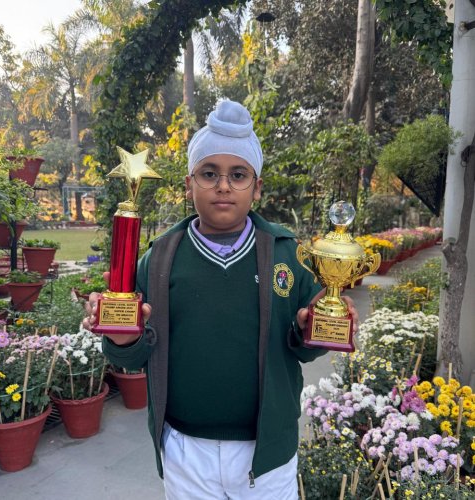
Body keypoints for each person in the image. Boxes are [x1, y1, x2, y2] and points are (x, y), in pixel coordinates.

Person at [84, 100, 358, 499]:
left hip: (267, 453)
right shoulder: (160, 259)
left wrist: (312, 330)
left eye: (238, 175)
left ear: (257, 187)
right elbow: (132, 356)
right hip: (185, 448)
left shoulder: (288, 255)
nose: (223, 186)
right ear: (189, 184)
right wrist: (121, 337)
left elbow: (304, 348)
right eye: (209, 173)